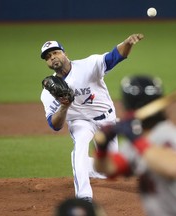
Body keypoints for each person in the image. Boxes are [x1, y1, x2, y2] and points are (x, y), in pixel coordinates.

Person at [93, 75, 176, 216]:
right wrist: (102, 148)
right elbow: (108, 168)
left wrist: (135, 139)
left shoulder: (171, 136)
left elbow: (173, 168)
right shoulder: (139, 142)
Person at [40, 34, 144, 202]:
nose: (53, 58)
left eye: (55, 53)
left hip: (106, 119)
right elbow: (55, 125)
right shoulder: (49, 92)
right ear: (47, 63)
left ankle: (82, 166)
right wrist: (64, 106)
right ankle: (84, 196)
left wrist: (127, 43)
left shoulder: (88, 65)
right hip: (80, 121)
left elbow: (114, 57)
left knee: (110, 169)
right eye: (48, 57)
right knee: (80, 147)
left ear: (65, 54)